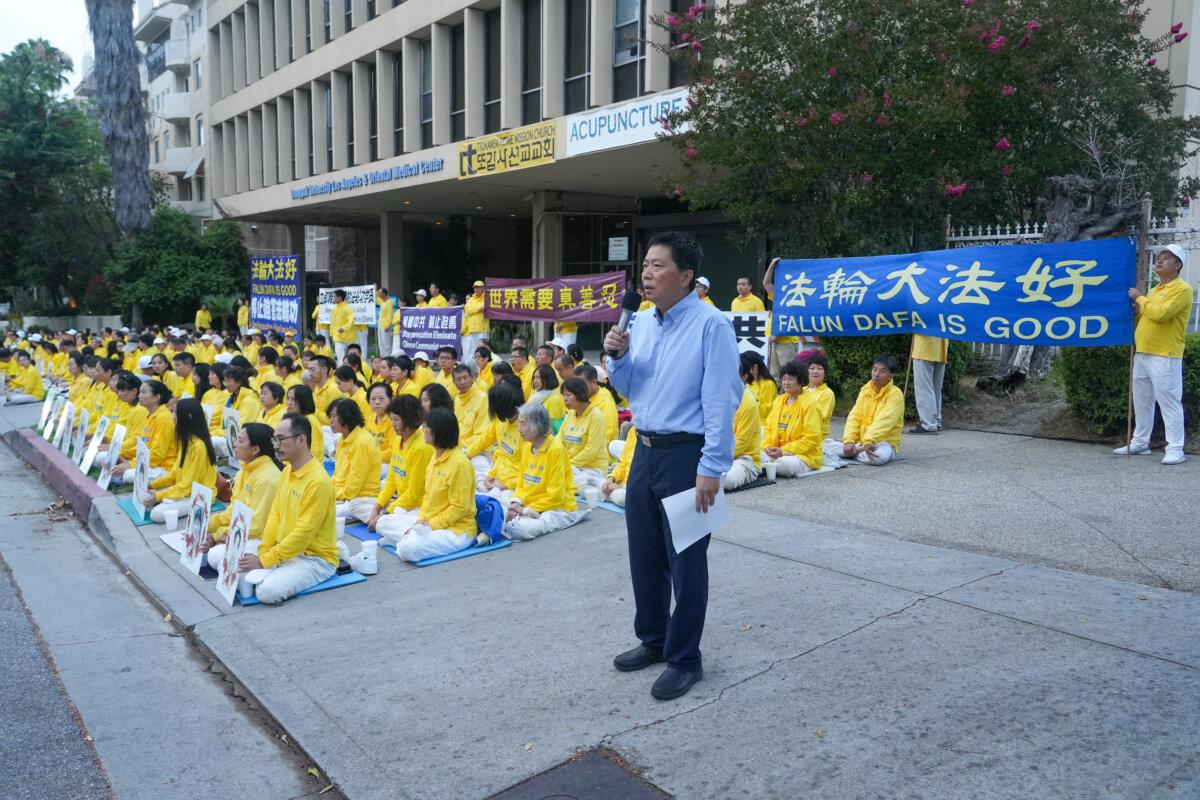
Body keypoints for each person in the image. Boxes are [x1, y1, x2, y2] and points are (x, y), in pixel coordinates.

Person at [604, 230, 741, 701]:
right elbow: (628, 388)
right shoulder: (640, 322)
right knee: (643, 552)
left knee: (687, 561)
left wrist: (712, 466)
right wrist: (617, 356)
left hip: (689, 455)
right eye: (645, 264)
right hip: (643, 450)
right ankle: (655, 639)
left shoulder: (712, 325)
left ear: (685, 277)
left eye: (658, 265)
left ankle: (686, 658)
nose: (646, 272)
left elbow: (722, 400)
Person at [237, 414, 340, 605]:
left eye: (281, 439)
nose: (276, 445)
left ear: (301, 440)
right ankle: (274, 567)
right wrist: (264, 551)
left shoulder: (317, 482)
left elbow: (303, 534)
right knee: (230, 563)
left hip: (314, 558)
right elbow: (275, 516)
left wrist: (264, 560)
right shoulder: (286, 471)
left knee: (266, 592)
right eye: (275, 439)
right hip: (285, 549)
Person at [1114, 244, 1194, 464]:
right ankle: (1140, 442)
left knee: (1169, 402)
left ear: (1178, 265)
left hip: (1165, 354)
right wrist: (1139, 310)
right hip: (1143, 352)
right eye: (1159, 258)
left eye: (1167, 258)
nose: (1159, 261)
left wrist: (1140, 299)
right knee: (1142, 401)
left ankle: (1176, 448)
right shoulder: (1154, 290)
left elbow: (1161, 314)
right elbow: (1148, 316)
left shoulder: (1182, 289)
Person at [393, 407, 478, 562]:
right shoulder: (435, 457)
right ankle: (409, 537)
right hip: (429, 521)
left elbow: (460, 508)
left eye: (427, 427)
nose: (423, 430)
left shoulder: (459, 464)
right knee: (384, 522)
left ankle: (406, 540)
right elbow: (428, 497)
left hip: (456, 530)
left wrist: (430, 525)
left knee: (408, 550)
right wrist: (421, 519)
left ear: (439, 432)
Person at [203, 423, 283, 570]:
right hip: (242, 530)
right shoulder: (244, 471)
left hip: (261, 538)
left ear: (255, 449)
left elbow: (256, 526)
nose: (234, 444)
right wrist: (207, 526)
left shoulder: (268, 478)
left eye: (240, 441)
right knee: (201, 539)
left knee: (214, 557)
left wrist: (218, 535)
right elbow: (232, 510)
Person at [505, 403, 583, 540]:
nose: (519, 429)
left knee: (519, 528)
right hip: (530, 503)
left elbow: (556, 497)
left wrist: (525, 510)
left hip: (556, 508)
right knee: (501, 501)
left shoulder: (555, 450)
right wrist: (515, 503)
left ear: (536, 426)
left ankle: (518, 520)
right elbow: (521, 484)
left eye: (523, 424)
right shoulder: (526, 447)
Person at [368, 395, 433, 541]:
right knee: (368, 508)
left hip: (418, 506)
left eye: (396, 420)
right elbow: (391, 479)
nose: (392, 424)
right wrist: (377, 507)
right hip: (403, 502)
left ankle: (416, 535)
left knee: (383, 522)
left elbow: (414, 493)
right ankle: (406, 534)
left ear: (409, 420)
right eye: (391, 419)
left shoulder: (421, 447)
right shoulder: (398, 440)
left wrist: (385, 513)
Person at [144, 399, 218, 524]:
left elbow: (188, 484)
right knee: (146, 499)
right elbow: (174, 474)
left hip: (199, 495)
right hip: (184, 490)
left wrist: (159, 496)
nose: (173, 416)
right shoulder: (185, 441)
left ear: (188, 417)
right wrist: (152, 485)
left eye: (175, 413)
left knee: (156, 514)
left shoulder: (199, 446)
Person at [762, 361, 823, 477]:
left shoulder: (810, 405)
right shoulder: (778, 401)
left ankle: (769, 465)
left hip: (802, 455)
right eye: (784, 379)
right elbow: (768, 428)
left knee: (785, 464)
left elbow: (812, 438)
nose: (786, 383)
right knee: (754, 454)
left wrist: (784, 451)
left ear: (801, 381)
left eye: (791, 379)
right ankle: (770, 463)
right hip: (777, 451)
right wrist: (768, 446)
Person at [841, 355, 904, 466]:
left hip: (884, 443)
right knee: (824, 445)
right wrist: (849, 440)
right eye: (875, 369)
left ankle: (850, 453)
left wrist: (868, 441)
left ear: (891, 376)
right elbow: (854, 416)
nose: (876, 374)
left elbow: (885, 421)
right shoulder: (865, 390)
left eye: (882, 371)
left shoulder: (896, 394)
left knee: (878, 457)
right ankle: (854, 451)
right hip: (860, 442)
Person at [110, 380, 177, 484]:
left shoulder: (163, 418)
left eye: (144, 392)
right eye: (140, 392)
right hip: (147, 461)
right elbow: (143, 445)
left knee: (127, 475)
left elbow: (157, 454)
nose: (139, 395)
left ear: (156, 397)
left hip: (163, 466)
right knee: (107, 459)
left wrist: (130, 464)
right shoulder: (150, 415)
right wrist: (120, 453)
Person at [329, 398, 381, 520]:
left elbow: (353, 487)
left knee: (320, 512)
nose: (330, 421)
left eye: (333, 416)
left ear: (346, 417)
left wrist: (332, 495)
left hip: (360, 498)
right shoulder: (342, 439)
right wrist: (327, 490)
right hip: (343, 496)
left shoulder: (361, 442)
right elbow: (337, 475)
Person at [467, 382, 523, 491]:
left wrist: (505, 486)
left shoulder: (526, 428)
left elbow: (531, 470)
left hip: (515, 484)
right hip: (498, 474)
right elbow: (484, 440)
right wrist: (467, 456)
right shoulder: (500, 421)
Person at [558, 377, 609, 488]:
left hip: (593, 468)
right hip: (573, 465)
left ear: (580, 395)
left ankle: (604, 488)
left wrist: (569, 463)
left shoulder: (595, 415)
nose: (564, 399)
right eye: (563, 395)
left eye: (568, 395)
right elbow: (559, 440)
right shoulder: (570, 414)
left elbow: (592, 449)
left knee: (572, 482)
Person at [762, 258, 801, 379]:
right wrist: (772, 265)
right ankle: (779, 398)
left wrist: (776, 335)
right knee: (775, 376)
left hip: (786, 341)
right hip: (774, 341)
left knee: (788, 375)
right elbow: (766, 284)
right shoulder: (779, 294)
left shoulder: (796, 295)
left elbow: (790, 316)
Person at [725, 385, 764, 488]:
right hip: (720, 455)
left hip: (744, 458)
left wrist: (717, 456)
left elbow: (741, 443)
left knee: (727, 480)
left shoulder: (748, 403)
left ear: (744, 377)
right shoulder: (720, 397)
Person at [909, 335, 948, 435]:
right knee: (935, 388)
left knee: (923, 387)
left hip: (924, 346)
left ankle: (929, 423)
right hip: (941, 346)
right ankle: (936, 421)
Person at [574, 364, 619, 445]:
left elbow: (607, 435)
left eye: (582, 384)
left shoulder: (605, 402)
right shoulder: (579, 397)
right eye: (575, 384)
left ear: (594, 382)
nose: (577, 388)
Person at [451, 364, 489, 452]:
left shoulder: (483, 398)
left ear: (471, 378)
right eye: (458, 379)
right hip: (456, 444)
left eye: (465, 378)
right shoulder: (457, 398)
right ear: (453, 382)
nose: (462, 382)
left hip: (474, 447)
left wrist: (461, 445)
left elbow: (481, 434)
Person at [601, 426, 638, 507]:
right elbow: (622, 463)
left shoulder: (652, 437)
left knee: (622, 497)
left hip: (635, 487)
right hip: (624, 484)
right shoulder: (633, 430)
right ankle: (611, 493)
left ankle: (611, 494)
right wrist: (610, 479)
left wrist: (621, 486)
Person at [285, 384, 325, 460]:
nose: (289, 403)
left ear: (303, 401)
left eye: (293, 399)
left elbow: (313, 451)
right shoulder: (298, 419)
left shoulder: (310, 421)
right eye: (288, 399)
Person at [739, 351, 778, 422]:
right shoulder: (749, 382)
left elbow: (767, 412)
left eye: (746, 368)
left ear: (755, 367)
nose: (744, 371)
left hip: (762, 425)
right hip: (748, 420)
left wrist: (750, 402)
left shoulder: (769, 384)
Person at [364, 383, 396, 465]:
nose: (377, 402)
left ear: (390, 399)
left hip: (387, 463)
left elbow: (393, 451)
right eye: (373, 399)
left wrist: (372, 456)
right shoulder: (372, 416)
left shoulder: (394, 420)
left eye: (381, 398)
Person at [529, 365, 565, 431]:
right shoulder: (535, 395)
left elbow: (553, 427)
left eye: (538, 377)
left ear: (547, 379)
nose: (535, 381)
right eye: (534, 377)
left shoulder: (555, 399)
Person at [462, 280, 490, 357]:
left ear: (483, 288)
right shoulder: (471, 299)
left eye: (478, 287)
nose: (476, 289)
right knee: (474, 349)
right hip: (472, 329)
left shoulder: (487, 298)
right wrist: (478, 309)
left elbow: (487, 307)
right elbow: (467, 310)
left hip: (482, 328)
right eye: (475, 287)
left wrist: (475, 309)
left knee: (483, 348)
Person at [330, 289, 356, 364]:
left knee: (351, 359)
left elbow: (351, 321)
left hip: (349, 337)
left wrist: (343, 328)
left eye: (334, 296)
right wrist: (332, 334)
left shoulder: (348, 308)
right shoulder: (334, 309)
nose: (333, 298)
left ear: (340, 297)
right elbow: (332, 323)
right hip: (338, 337)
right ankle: (341, 374)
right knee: (340, 358)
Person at [376, 287, 395, 358]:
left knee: (387, 345)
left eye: (380, 293)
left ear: (384, 294)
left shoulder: (389, 302)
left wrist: (388, 326)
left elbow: (390, 315)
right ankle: (382, 358)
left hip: (385, 327)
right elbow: (375, 298)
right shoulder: (382, 301)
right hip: (380, 325)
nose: (378, 294)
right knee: (380, 344)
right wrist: (375, 289)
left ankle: (387, 359)